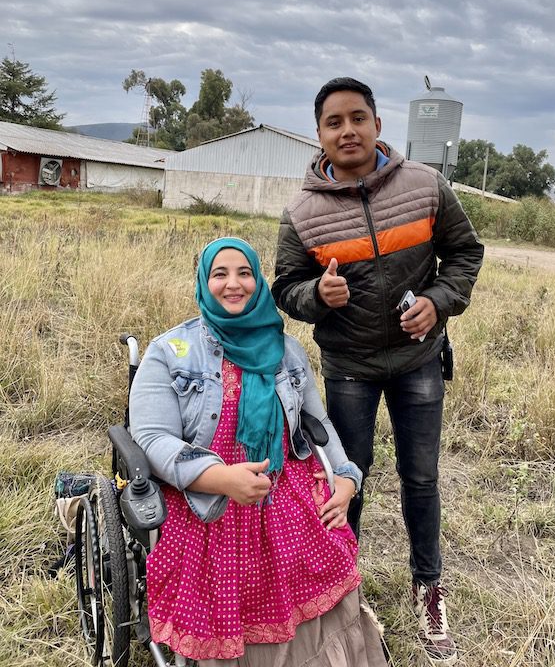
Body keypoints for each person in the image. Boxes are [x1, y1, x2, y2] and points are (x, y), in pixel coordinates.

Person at [272, 77, 485, 666]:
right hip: (350, 368)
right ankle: (346, 592)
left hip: (419, 360)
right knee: (348, 478)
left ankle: (428, 589)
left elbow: (466, 253)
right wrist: (318, 295)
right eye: (334, 122)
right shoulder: (303, 213)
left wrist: (438, 301)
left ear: (377, 125)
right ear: (319, 134)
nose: (348, 131)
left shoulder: (425, 185)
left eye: (357, 118)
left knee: (421, 478)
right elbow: (286, 288)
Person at [129, 236, 388, 666]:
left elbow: (319, 422)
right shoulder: (170, 353)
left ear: (259, 281)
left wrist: (346, 477)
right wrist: (221, 478)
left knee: (319, 549)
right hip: (206, 497)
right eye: (220, 274)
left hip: (283, 486)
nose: (234, 284)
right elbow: (154, 439)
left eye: (244, 273)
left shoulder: (287, 351)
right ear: (203, 282)